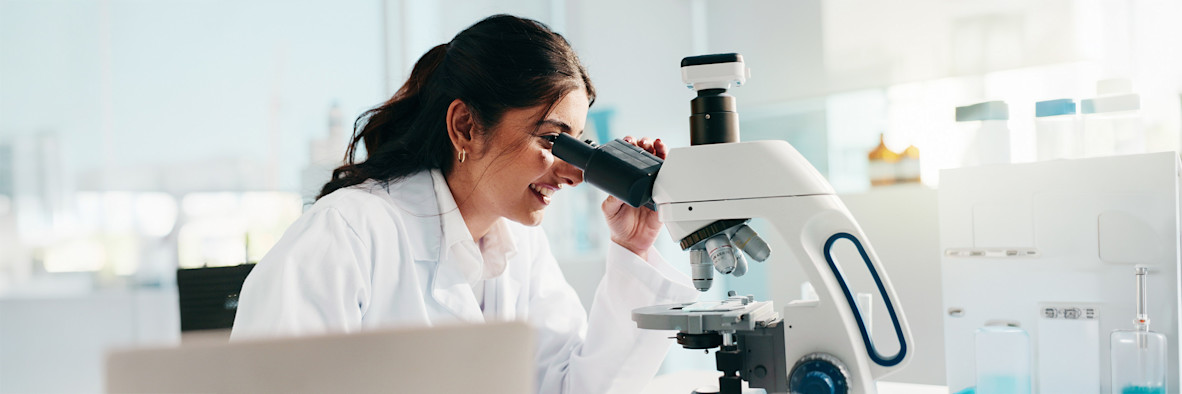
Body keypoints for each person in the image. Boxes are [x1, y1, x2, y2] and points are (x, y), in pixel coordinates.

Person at [230, 14, 698, 393]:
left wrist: (634, 248)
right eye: (554, 140)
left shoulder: (521, 250)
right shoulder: (346, 233)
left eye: (580, 145)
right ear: (466, 127)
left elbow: (572, 390)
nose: (575, 173)